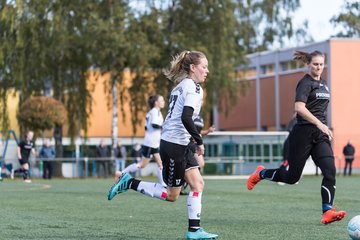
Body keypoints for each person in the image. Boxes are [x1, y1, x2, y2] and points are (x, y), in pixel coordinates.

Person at [108, 50, 218, 239]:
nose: (207, 71)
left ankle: (194, 231)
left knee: (197, 183)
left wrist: (192, 139)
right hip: (174, 146)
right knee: (171, 195)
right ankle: (129, 182)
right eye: (204, 67)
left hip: (179, 143)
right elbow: (186, 117)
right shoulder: (193, 88)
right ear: (193, 68)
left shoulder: (181, 86)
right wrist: (199, 141)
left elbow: (179, 118)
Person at [247, 50, 346, 225]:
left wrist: (323, 127)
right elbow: (300, 108)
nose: (318, 67)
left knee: (330, 171)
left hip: (320, 135)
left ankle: (327, 211)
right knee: (292, 178)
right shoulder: (305, 83)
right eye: (315, 64)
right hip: (302, 134)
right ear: (308, 64)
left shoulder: (324, 84)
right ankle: (261, 173)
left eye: (321, 64)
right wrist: (320, 124)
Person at [114, 95, 166, 187]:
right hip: (151, 143)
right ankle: (121, 173)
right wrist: (163, 128)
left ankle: (163, 184)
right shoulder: (155, 112)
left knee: (160, 163)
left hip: (152, 142)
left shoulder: (152, 112)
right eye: (161, 100)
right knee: (142, 165)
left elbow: (146, 127)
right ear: (156, 103)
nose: (163, 102)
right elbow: (154, 124)